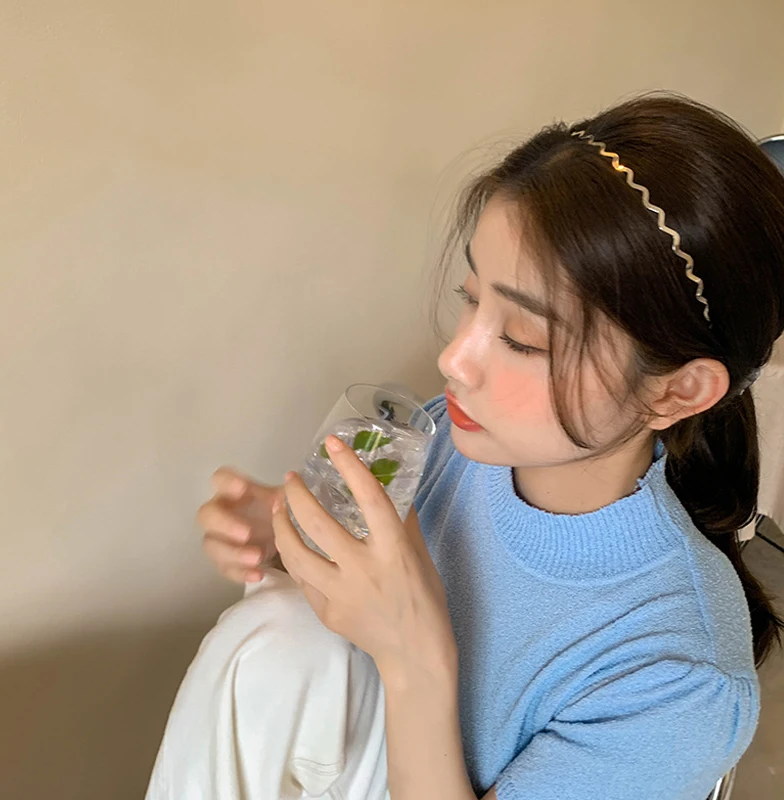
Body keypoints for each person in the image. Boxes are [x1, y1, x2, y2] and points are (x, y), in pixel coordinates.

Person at [145, 92, 784, 800]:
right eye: (472, 298)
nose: (454, 358)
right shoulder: (450, 440)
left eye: (522, 338)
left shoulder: (680, 678)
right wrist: (290, 533)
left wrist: (415, 659)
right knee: (279, 635)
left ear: (677, 391)